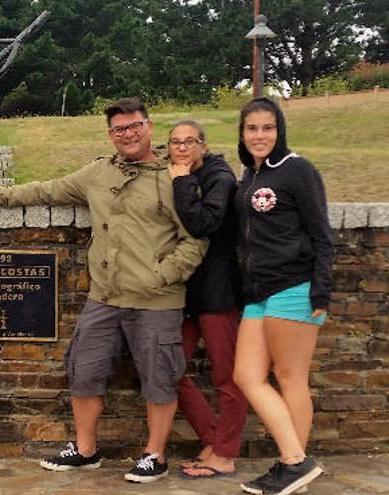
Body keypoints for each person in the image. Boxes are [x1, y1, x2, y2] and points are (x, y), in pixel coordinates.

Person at [0, 98, 208, 484]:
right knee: (83, 371)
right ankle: (86, 449)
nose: (127, 134)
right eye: (119, 129)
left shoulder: (173, 175)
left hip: (156, 299)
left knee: (160, 377)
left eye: (134, 126)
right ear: (110, 135)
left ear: (150, 126)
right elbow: (46, 191)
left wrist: (162, 275)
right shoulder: (97, 172)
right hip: (104, 298)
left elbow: (196, 236)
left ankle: (155, 454)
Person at [232, 97, 333, 495]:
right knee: (246, 376)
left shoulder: (298, 170)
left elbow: (323, 235)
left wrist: (320, 289)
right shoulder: (249, 176)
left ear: (280, 130)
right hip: (257, 292)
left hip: (295, 287)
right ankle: (296, 462)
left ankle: (292, 462)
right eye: (252, 128)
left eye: (267, 128)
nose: (260, 135)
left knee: (291, 378)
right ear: (242, 133)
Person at [166, 121, 247, 479]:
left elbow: (203, 222)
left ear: (203, 145)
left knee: (226, 378)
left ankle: (225, 454)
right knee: (168, 371)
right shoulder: (177, 170)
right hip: (185, 293)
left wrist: (181, 180)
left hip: (218, 292)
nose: (181, 148)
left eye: (189, 141)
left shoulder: (219, 177)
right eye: (174, 142)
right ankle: (214, 440)